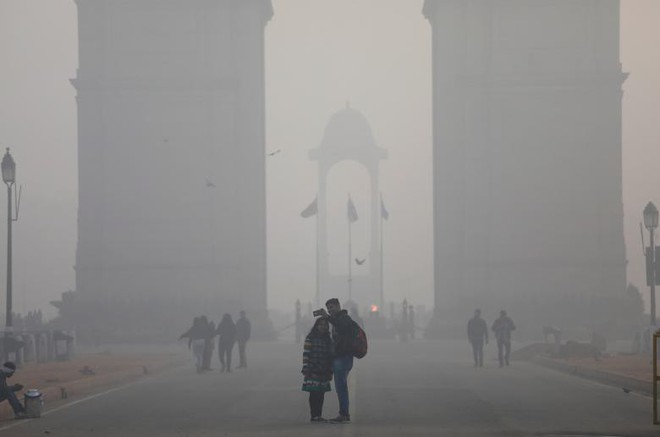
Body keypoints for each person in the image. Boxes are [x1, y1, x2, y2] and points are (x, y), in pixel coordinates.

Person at [318, 298, 356, 423]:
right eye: (328, 308)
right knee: (341, 387)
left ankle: (344, 414)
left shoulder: (344, 318)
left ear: (338, 306)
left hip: (343, 357)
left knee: (341, 387)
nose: (330, 310)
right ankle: (344, 413)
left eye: (332, 307)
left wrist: (327, 317)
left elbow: (342, 326)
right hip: (340, 357)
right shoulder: (338, 320)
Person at [301, 317, 334, 422]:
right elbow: (306, 354)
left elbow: (330, 356)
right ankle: (314, 415)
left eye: (325, 325)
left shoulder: (328, 339)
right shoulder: (310, 338)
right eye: (321, 325)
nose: (323, 327)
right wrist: (306, 368)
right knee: (314, 393)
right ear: (316, 326)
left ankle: (318, 415)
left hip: (324, 370)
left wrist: (330, 371)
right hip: (312, 369)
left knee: (321, 394)